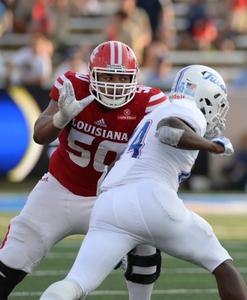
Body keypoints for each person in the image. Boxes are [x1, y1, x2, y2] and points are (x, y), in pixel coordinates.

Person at [39, 65, 247, 300]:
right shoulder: (187, 108)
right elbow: (168, 129)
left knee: (76, 283)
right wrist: (212, 146)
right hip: (152, 197)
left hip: (110, 204)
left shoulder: (153, 113)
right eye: (218, 102)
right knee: (221, 263)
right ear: (205, 94)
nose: (219, 112)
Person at [0, 41, 167, 299]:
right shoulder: (73, 86)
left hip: (112, 199)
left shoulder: (149, 101)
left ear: (134, 78)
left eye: (121, 78)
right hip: (60, 190)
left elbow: (166, 140)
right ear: (91, 75)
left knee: (147, 241)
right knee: (10, 262)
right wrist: (59, 119)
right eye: (107, 76)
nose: (114, 84)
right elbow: (39, 135)